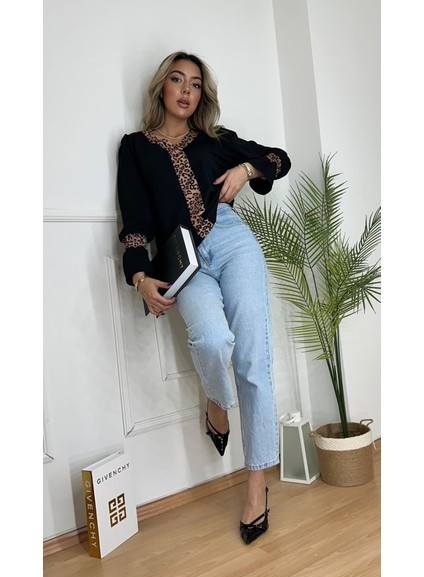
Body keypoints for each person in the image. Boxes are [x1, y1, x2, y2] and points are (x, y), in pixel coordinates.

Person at [117, 51, 291, 544]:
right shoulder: (135, 148)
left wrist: (246, 171)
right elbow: (135, 221)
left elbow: (278, 158)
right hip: (181, 259)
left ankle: (256, 483)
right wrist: (140, 277)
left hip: (233, 242)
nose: (186, 90)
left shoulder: (215, 139)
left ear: (202, 96)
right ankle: (217, 400)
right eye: (178, 80)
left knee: (253, 360)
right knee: (212, 341)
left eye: (195, 84)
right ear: (162, 87)